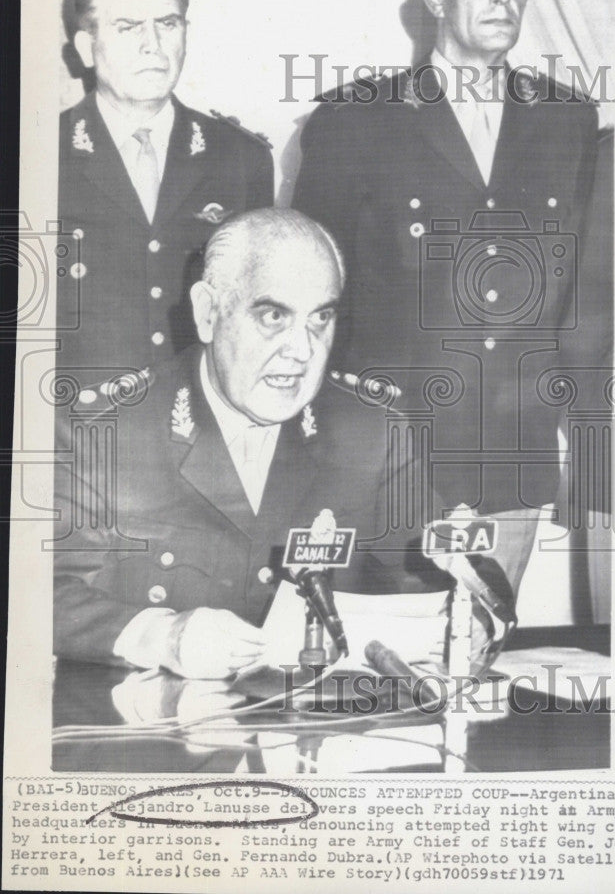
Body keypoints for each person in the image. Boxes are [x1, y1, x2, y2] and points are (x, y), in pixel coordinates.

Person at [55, 208, 488, 679]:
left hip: (317, 733)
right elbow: (38, 593)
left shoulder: (372, 430)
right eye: (273, 316)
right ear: (208, 312)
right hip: (145, 736)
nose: (302, 351)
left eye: (320, 318)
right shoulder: (104, 431)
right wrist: (160, 635)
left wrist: (471, 610)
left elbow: (427, 585)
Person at [293, 0, 601, 533]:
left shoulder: (568, 119)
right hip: (393, 444)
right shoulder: (355, 120)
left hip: (517, 446)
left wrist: (592, 460)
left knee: (496, 622)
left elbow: (585, 302)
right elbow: (313, 292)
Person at [58, 0, 273, 372]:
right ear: (87, 48)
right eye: (128, 27)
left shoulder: (240, 157)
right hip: (74, 421)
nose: (152, 45)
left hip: (195, 415)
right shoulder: (41, 153)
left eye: (167, 24)